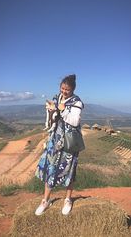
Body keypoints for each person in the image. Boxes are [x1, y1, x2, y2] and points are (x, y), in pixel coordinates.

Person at [35, 74, 84, 216]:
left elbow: (75, 121)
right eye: (62, 88)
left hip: (69, 143)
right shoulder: (57, 98)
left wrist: (62, 109)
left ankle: (68, 199)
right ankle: (45, 200)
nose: (64, 91)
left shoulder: (77, 102)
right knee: (50, 168)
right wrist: (51, 110)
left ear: (73, 89)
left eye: (67, 90)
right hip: (55, 141)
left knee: (69, 170)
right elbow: (52, 121)